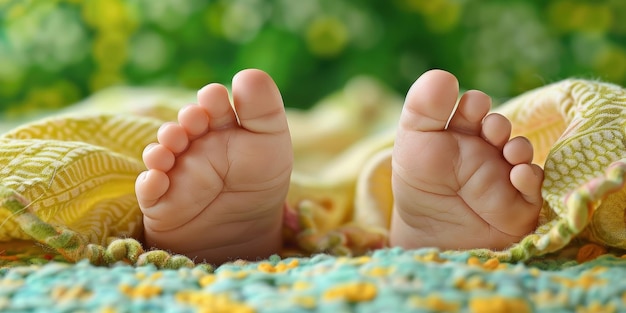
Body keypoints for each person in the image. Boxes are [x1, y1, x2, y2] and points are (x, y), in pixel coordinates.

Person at [134, 69, 545, 265]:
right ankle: (407, 222)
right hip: (333, 146)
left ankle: (408, 215)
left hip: (351, 140)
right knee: (351, 157)